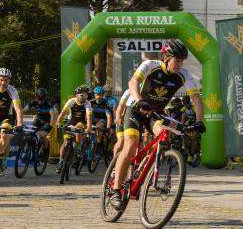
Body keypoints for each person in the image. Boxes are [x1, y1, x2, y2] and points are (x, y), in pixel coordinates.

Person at [110, 40, 205, 209]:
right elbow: (133, 82)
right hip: (136, 109)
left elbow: (196, 99)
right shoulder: (150, 65)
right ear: (167, 58)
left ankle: (145, 168)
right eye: (177, 60)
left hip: (156, 113)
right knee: (131, 143)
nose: (180, 64)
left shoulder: (184, 74)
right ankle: (116, 190)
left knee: (163, 133)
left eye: (182, 61)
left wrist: (199, 122)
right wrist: (139, 100)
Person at [55, 85, 93, 171]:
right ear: (77, 95)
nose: (84, 97)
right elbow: (63, 112)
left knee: (78, 132)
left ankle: (78, 150)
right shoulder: (71, 101)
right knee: (65, 143)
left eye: (86, 95)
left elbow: (89, 117)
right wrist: (58, 121)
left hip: (81, 122)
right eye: (82, 95)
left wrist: (89, 128)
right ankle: (61, 161)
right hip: (71, 120)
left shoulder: (87, 104)